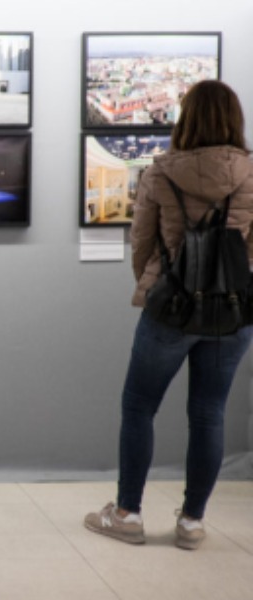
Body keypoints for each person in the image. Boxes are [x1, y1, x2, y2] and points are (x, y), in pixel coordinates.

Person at [84, 80, 253, 551]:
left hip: (171, 308)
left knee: (139, 407)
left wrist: (156, 285)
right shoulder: (250, 174)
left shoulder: (160, 172)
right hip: (232, 312)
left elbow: (141, 243)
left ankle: (128, 513)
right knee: (209, 414)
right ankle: (192, 522)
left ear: (186, 119)